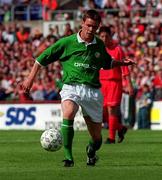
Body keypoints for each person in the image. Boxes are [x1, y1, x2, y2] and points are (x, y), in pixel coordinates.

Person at [19, 9, 135, 167]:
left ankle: (91, 151)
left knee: (97, 139)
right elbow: (41, 59)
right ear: (82, 23)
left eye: (94, 27)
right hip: (71, 87)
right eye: (88, 25)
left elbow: (107, 63)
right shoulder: (67, 42)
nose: (90, 29)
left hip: (92, 91)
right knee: (68, 113)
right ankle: (68, 157)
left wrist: (122, 63)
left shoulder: (99, 45)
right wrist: (29, 80)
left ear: (98, 26)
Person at [99, 26, 134, 144]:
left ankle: (111, 138)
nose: (104, 39)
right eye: (102, 36)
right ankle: (120, 128)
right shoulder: (97, 49)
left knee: (111, 109)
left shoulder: (117, 49)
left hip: (114, 83)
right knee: (102, 112)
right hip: (100, 83)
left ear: (110, 36)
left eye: (106, 36)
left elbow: (125, 67)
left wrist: (129, 85)